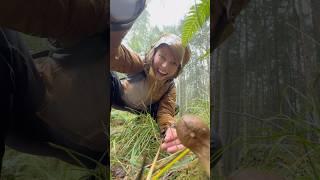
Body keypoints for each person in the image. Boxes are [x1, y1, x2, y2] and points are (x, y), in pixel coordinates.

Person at [110, 29, 191, 153]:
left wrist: (169, 128)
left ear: (178, 68)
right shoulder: (139, 63)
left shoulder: (169, 86)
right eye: (162, 57)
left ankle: (157, 134)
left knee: (175, 107)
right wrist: (112, 39)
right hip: (121, 97)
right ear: (154, 53)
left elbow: (165, 112)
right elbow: (120, 55)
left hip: (147, 109)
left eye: (173, 63)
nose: (164, 66)